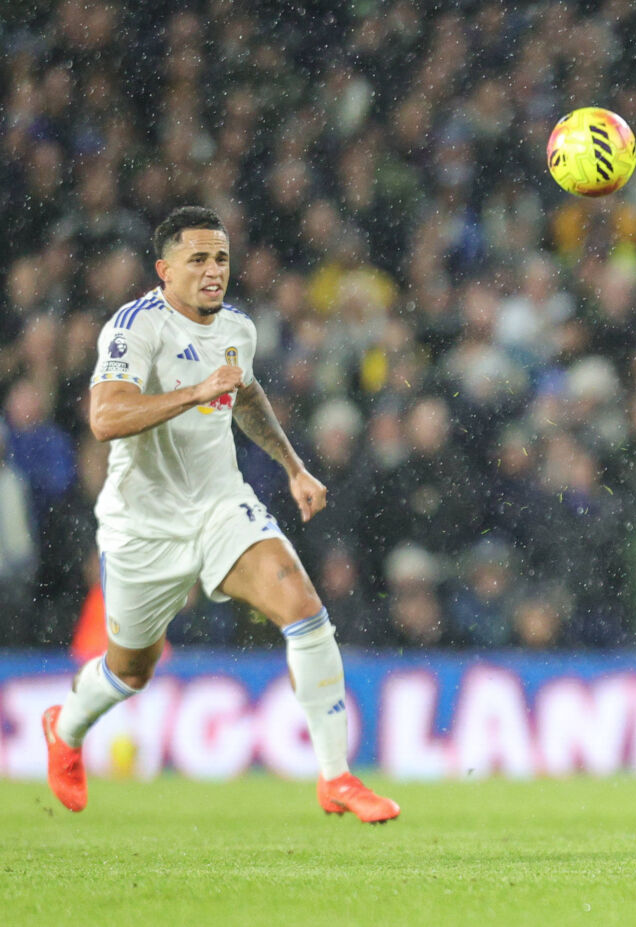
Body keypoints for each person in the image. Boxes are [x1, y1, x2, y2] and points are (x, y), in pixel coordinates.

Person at [42, 206, 398, 823]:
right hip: (143, 526)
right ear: (164, 270)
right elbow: (104, 418)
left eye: (222, 259)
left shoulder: (238, 327)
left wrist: (293, 467)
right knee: (132, 668)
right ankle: (65, 729)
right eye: (198, 260)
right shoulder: (134, 329)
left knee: (305, 607)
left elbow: (246, 393)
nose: (214, 271)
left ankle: (336, 777)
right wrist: (193, 393)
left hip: (219, 507)